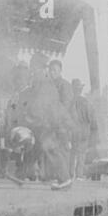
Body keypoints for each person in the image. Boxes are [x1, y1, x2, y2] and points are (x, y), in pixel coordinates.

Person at [18, 53, 74, 190]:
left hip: (48, 122)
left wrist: (30, 116)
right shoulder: (43, 81)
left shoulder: (43, 82)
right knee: (34, 148)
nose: (32, 69)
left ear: (39, 67)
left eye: (34, 66)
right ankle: (21, 175)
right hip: (46, 121)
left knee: (49, 148)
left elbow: (40, 104)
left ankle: (65, 179)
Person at [69, 78, 99, 180]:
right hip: (83, 132)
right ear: (80, 89)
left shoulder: (70, 101)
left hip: (73, 131)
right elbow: (91, 118)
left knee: (72, 153)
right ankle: (79, 175)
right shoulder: (86, 102)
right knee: (81, 154)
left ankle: (70, 174)